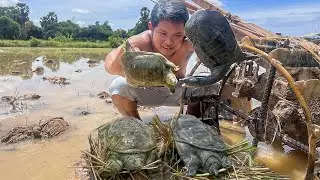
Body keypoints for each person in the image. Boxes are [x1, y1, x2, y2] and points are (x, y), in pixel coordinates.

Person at [105, 0, 218, 120]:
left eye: (177, 35)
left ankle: (190, 124)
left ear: (186, 32)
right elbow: (110, 67)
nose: (169, 42)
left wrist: (205, 50)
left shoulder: (189, 43)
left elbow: (213, 56)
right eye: (163, 33)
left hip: (177, 92)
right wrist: (127, 48)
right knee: (118, 86)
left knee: (210, 83)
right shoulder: (140, 42)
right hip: (145, 91)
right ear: (151, 27)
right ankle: (138, 126)